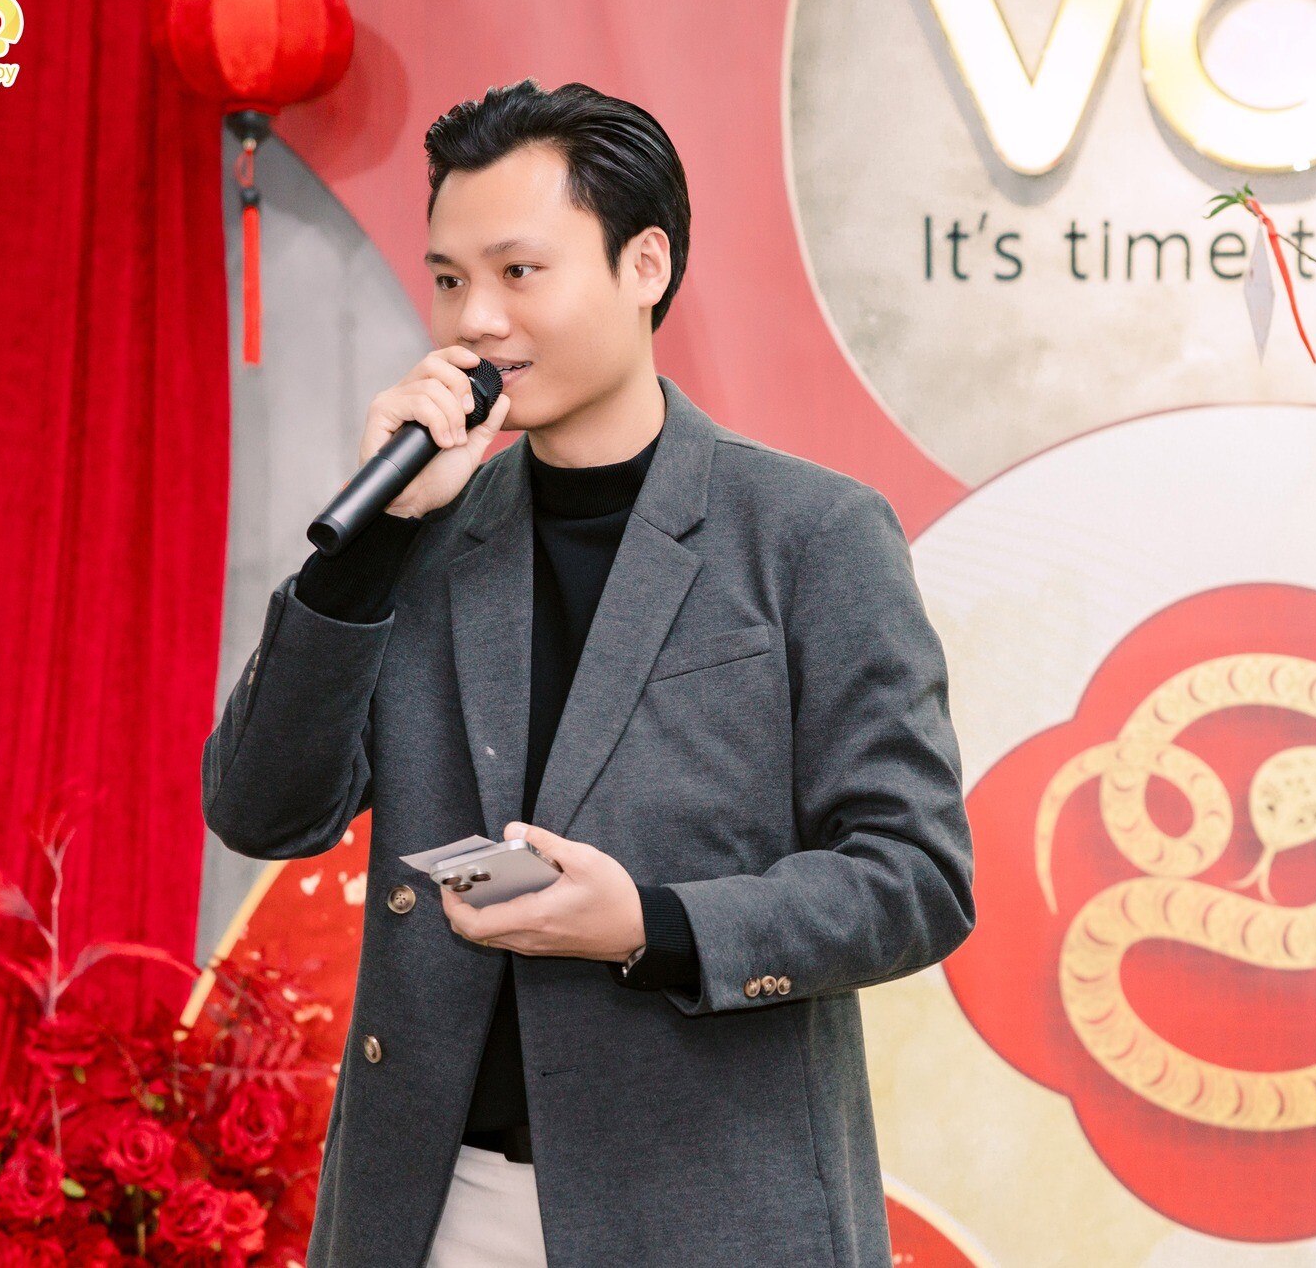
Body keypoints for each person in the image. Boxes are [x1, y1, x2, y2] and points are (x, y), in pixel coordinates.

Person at [201, 77, 974, 1268]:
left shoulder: (808, 532)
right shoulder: (426, 534)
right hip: (435, 1205)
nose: (476, 320)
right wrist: (370, 549)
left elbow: (913, 877)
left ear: (643, 264)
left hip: (704, 1204)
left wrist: (652, 925)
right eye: (449, 279)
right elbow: (264, 808)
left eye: (519, 272)